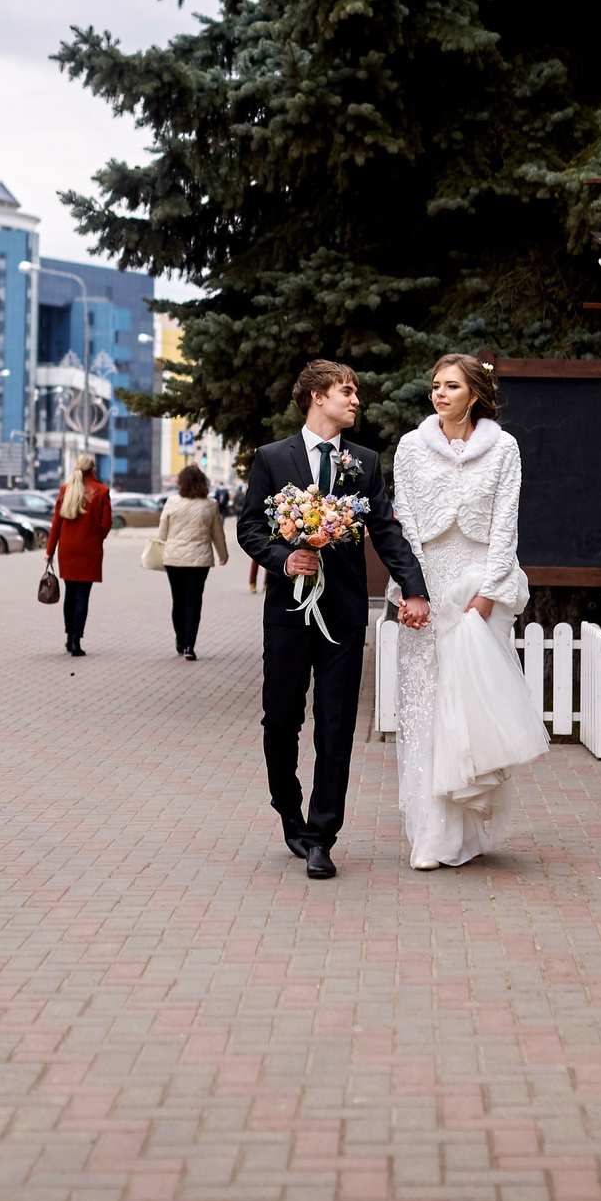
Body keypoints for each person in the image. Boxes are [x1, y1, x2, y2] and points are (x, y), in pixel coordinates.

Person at [235, 360, 429, 880]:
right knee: (280, 721)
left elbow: (384, 529)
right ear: (318, 396)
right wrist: (283, 558)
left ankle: (322, 836)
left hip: (343, 613)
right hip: (287, 612)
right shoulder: (272, 458)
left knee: (336, 724)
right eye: (347, 391)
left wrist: (414, 588)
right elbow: (249, 527)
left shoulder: (363, 462)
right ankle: (290, 813)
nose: (356, 400)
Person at [390, 354, 539, 870]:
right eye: (435, 385)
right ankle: (431, 836)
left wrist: (489, 592)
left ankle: (467, 835)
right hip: (429, 584)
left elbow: (506, 524)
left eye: (451, 386)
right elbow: (406, 522)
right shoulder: (410, 447)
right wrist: (414, 589)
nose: (440, 393)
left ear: (474, 394)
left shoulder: (504, 448)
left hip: (479, 586)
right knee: (428, 705)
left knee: (472, 707)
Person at [152, 464, 228, 660]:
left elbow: (162, 533)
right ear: (202, 482)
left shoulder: (171, 502)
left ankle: (179, 640)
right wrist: (223, 554)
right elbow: (217, 534)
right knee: (194, 602)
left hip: (174, 560)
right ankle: (189, 647)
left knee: (178, 601)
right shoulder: (210, 504)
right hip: (200, 561)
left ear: (181, 483)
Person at [45, 454, 111, 657]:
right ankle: (76, 641)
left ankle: (69, 637)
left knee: (70, 594)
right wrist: (96, 537)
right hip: (89, 550)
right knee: (83, 596)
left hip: (68, 550)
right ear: (93, 469)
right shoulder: (102, 491)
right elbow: (106, 524)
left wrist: (50, 551)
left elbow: (56, 523)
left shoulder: (66, 490)